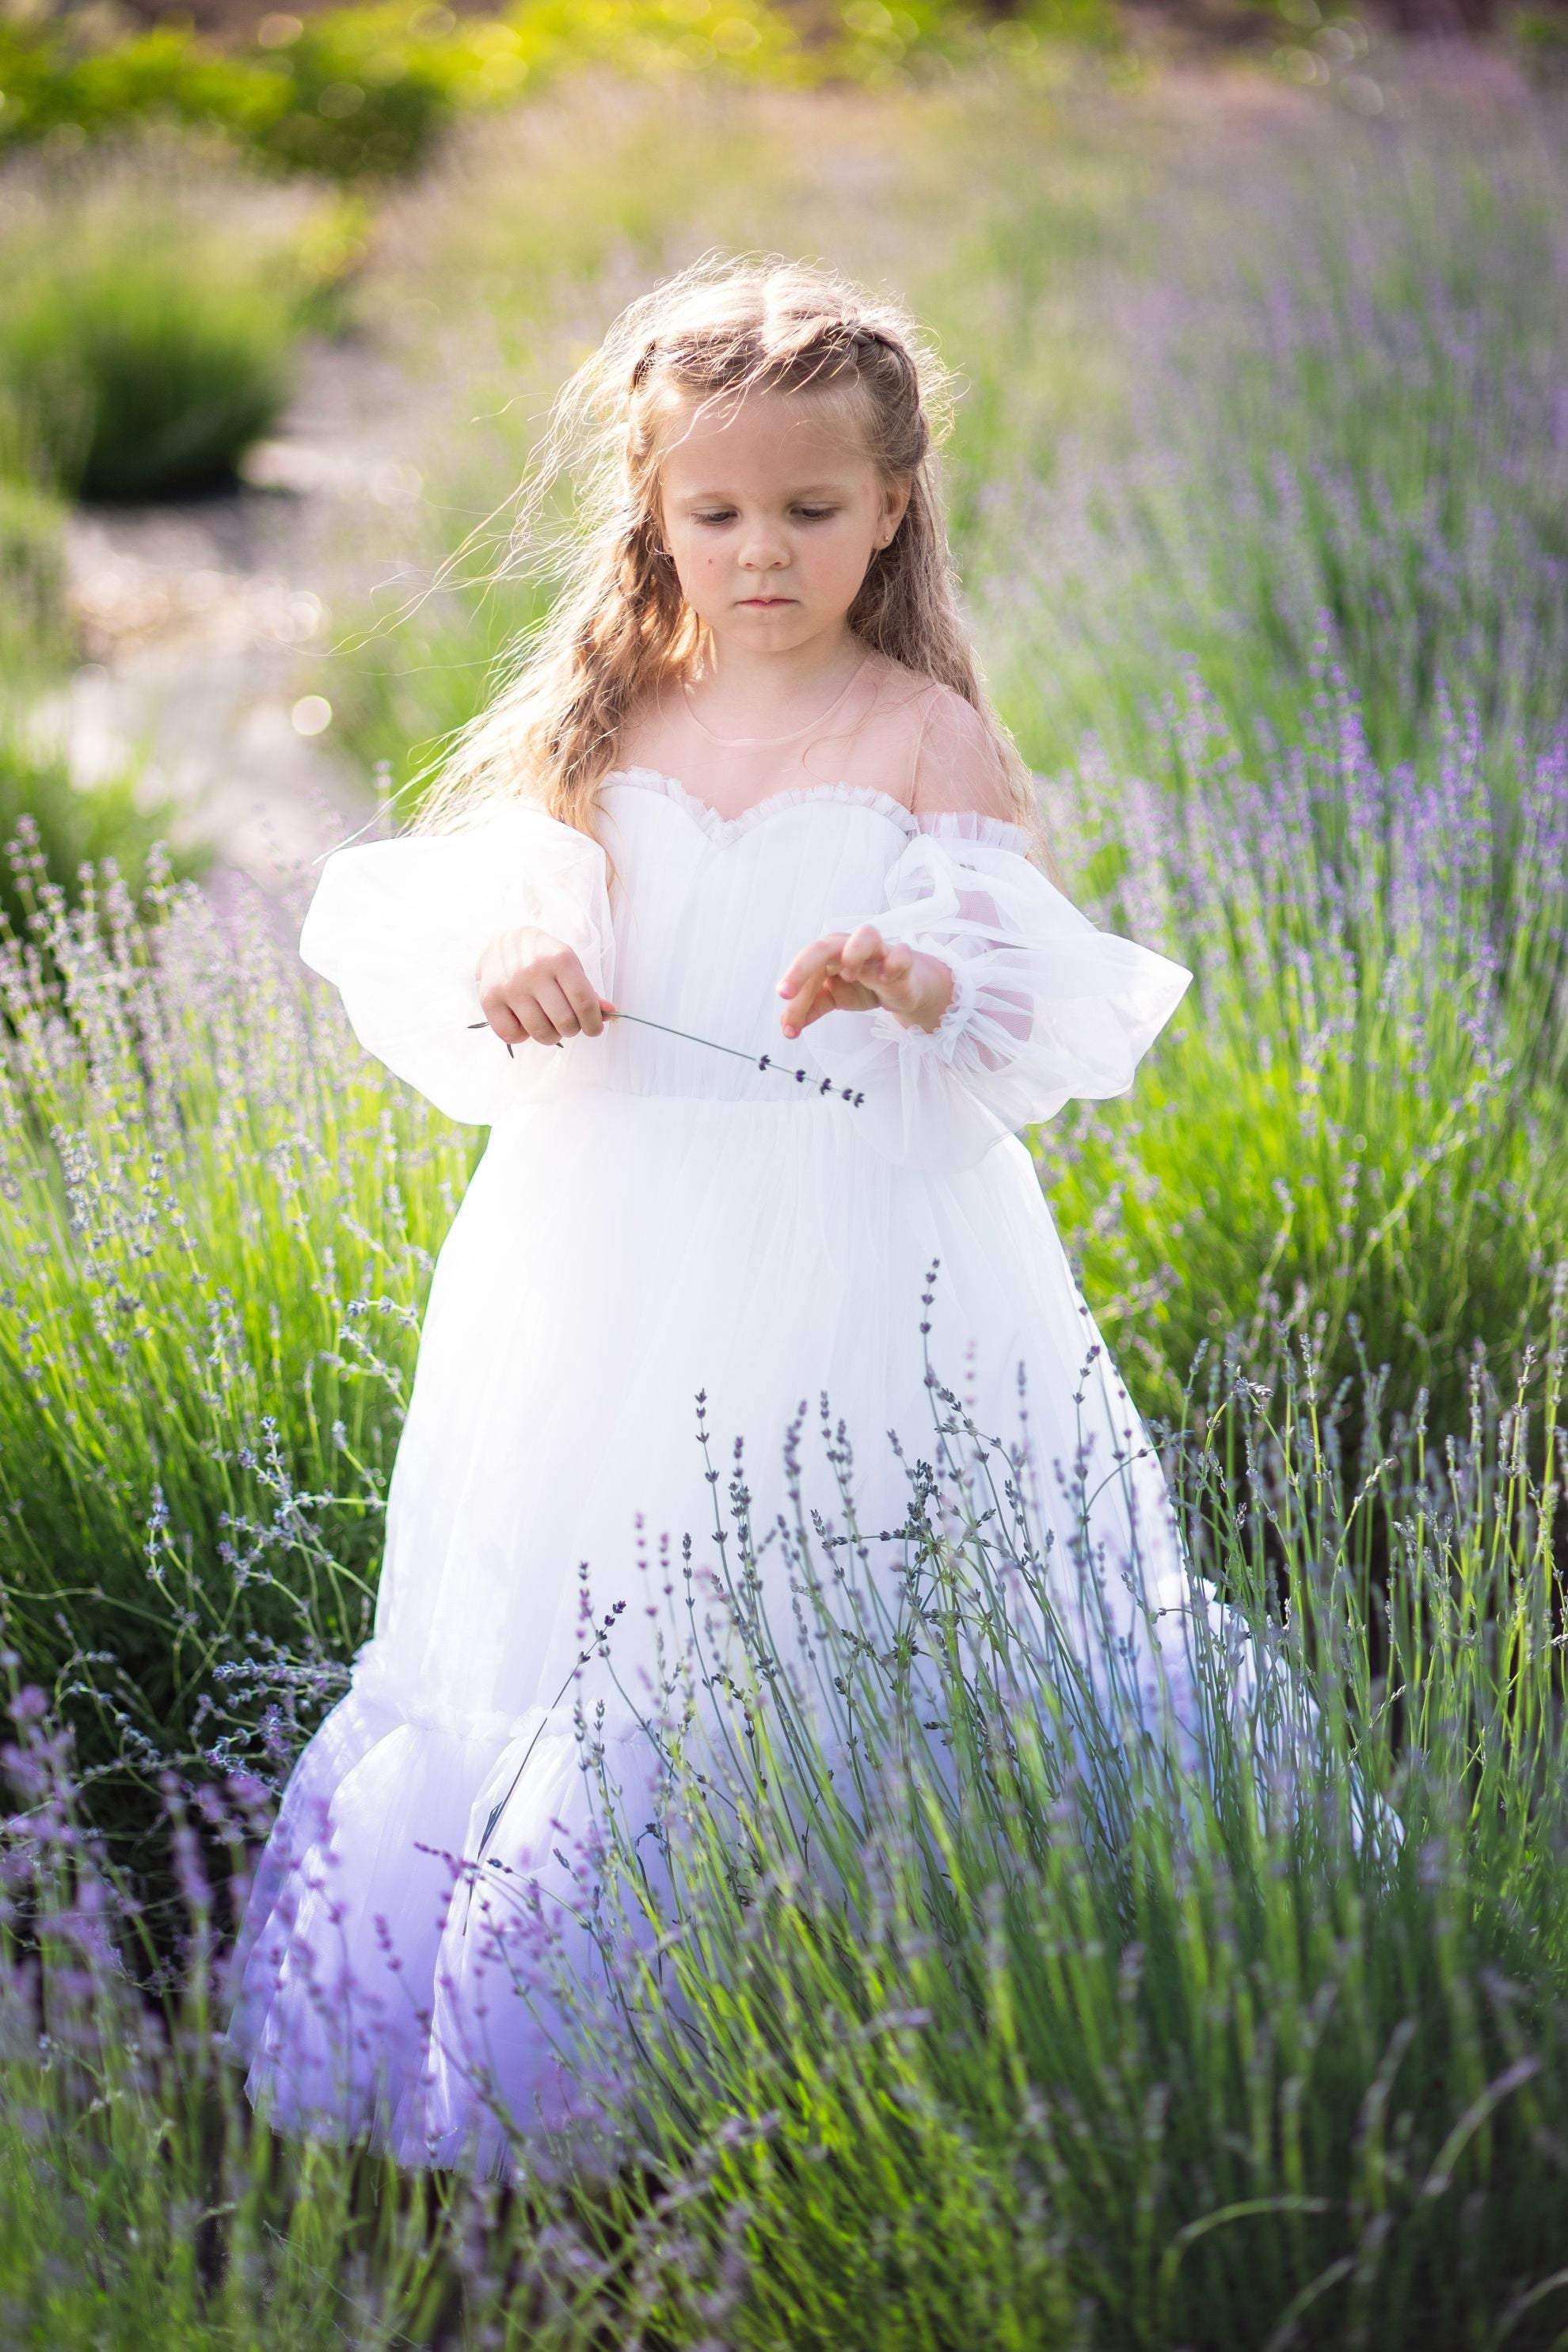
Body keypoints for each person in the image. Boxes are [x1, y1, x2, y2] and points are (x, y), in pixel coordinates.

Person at [218, 253, 1368, 2184]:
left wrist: (906, 974)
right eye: (718, 512)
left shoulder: (925, 736)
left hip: (860, 1238)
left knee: (870, 1608)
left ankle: (929, 2031)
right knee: (608, 1613)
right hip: (606, 1239)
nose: (763, 553)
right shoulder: (608, 727)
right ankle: (598, 2068)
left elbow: (1005, 988)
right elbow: (506, 917)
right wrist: (524, 952)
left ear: (892, 508)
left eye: (810, 512)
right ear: (656, 517)